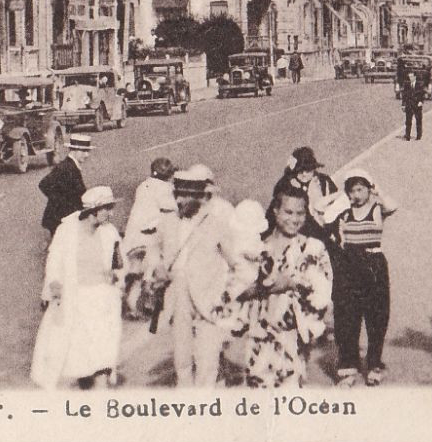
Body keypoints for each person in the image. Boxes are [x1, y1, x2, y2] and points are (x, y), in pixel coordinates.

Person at [232, 183, 335, 388]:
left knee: (290, 401)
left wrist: (289, 284)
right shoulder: (257, 248)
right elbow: (236, 291)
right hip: (258, 340)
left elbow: (322, 294)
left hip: (293, 341)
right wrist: (268, 288)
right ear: (275, 210)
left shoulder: (313, 248)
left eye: (300, 213)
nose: (294, 219)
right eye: (288, 212)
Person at [31, 186, 125, 389]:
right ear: (94, 210)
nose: (112, 213)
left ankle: (101, 395)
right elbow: (54, 260)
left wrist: (116, 276)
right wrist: (54, 284)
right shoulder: (67, 231)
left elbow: (119, 264)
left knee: (102, 350)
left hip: (102, 298)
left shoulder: (109, 232)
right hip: (76, 298)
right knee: (73, 350)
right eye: (108, 208)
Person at [159, 164, 237, 386]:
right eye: (178, 195)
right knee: (182, 358)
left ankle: (204, 405)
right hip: (178, 296)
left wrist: (227, 296)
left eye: (186, 196)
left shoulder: (217, 223)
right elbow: (154, 249)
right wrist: (156, 268)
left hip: (208, 298)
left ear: (200, 197)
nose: (180, 201)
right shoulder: (168, 221)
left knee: (207, 360)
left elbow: (236, 264)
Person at [331, 169, 398, 387]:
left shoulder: (377, 208)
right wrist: (340, 198)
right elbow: (323, 213)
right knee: (349, 316)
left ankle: (374, 364)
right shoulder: (345, 210)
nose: (357, 194)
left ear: (368, 190)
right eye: (352, 190)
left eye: (361, 189)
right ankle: (348, 365)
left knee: (376, 317)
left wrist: (377, 189)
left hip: (374, 265)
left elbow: (392, 205)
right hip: (349, 265)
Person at [122, 157, 179, 320]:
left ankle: (132, 305)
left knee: (137, 271)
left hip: (134, 233)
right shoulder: (165, 189)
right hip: (149, 235)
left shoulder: (143, 185)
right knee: (156, 268)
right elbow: (172, 209)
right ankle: (149, 301)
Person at [271, 146, 340, 242]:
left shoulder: (324, 181)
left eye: (308, 170)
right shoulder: (287, 186)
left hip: (328, 227)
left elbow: (337, 204)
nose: (304, 174)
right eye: (299, 171)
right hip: (300, 233)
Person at [39, 133, 91, 235]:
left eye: (88, 151)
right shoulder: (66, 167)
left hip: (65, 220)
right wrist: (63, 205)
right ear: (74, 150)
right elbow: (44, 184)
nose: (87, 155)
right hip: (58, 221)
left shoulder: (72, 166)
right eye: (83, 151)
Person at [398, 67, 425, 142]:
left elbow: (422, 94)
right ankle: (407, 136)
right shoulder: (407, 85)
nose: (410, 78)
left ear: (415, 77)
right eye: (409, 77)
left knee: (418, 121)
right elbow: (404, 96)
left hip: (417, 105)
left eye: (412, 76)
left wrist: (421, 101)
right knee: (408, 121)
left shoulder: (420, 84)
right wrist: (403, 105)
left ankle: (419, 136)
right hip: (409, 105)